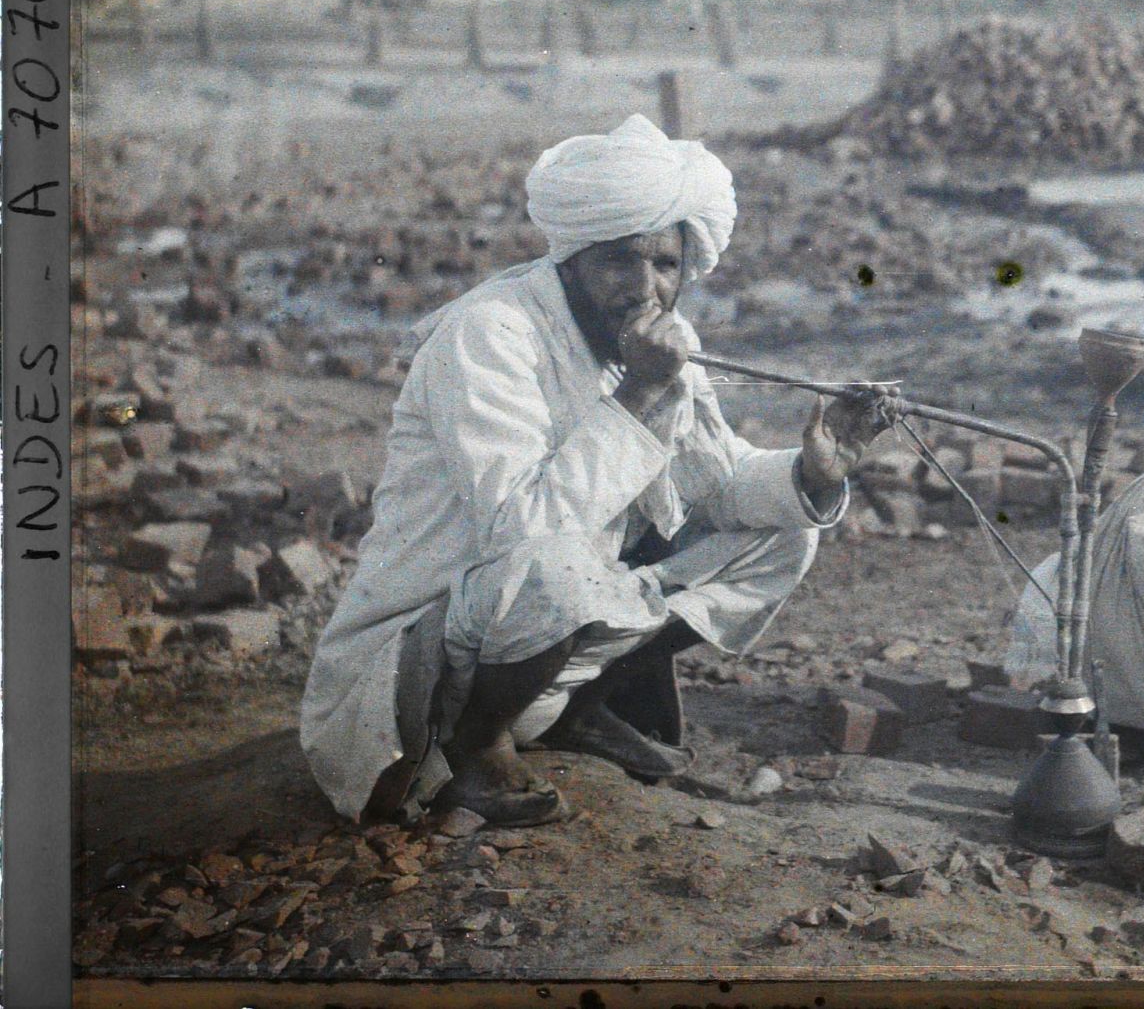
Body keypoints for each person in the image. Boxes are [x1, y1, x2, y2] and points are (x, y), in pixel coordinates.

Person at [301, 114, 889, 827]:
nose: (646, 288)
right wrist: (638, 394)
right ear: (571, 258)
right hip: (423, 666)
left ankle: (573, 709)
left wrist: (814, 472)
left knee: (786, 530)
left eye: (665, 265)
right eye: (620, 261)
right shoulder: (490, 334)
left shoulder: (661, 340)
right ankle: (476, 747)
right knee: (557, 563)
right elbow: (522, 530)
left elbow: (716, 485)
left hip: (538, 638)